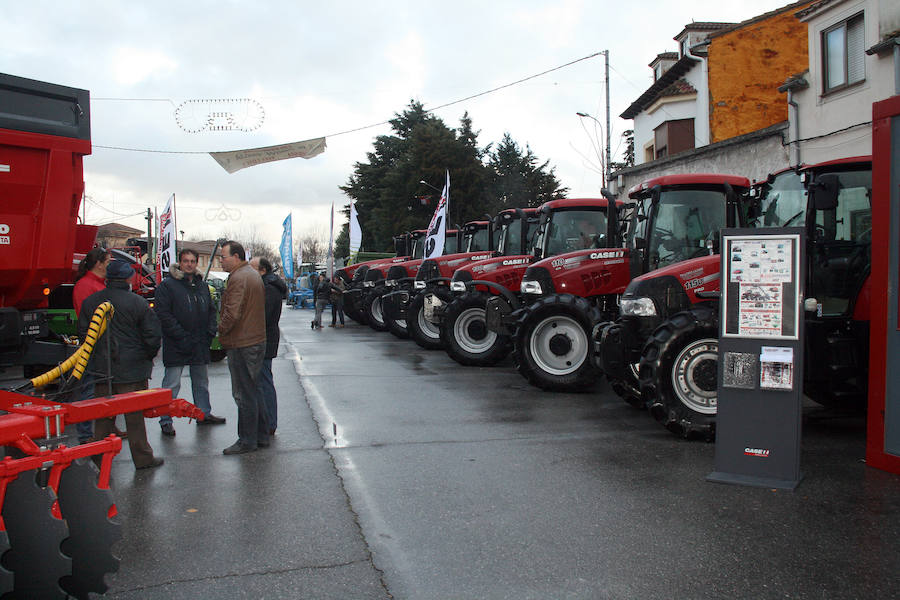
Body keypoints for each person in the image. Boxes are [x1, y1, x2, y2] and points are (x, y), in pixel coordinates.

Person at [77, 259, 164, 470]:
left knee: (104, 416)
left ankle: (98, 460)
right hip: (132, 370)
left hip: (102, 369)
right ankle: (143, 458)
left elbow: (84, 336)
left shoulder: (91, 303)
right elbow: (152, 335)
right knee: (134, 416)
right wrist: (145, 357)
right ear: (128, 278)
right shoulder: (136, 302)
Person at [154, 248, 226, 436]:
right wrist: (180, 335)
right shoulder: (168, 286)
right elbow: (163, 314)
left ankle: (203, 414)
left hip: (200, 342)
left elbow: (211, 311)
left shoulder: (202, 286)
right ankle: (165, 419)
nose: (189, 264)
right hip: (176, 343)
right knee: (171, 384)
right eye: (186, 261)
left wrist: (210, 332)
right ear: (180, 262)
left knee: (201, 382)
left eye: (193, 261)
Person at [217, 240, 269, 455]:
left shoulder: (238, 278)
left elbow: (233, 313)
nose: (221, 261)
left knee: (243, 393)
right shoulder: (252, 274)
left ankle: (247, 440)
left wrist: (220, 330)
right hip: (255, 339)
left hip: (243, 342)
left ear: (236, 257)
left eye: (224, 257)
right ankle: (261, 435)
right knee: (253, 389)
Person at [69, 247, 117, 444]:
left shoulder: (98, 284)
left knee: (105, 387)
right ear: (98, 264)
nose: (110, 266)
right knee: (89, 389)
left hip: (102, 343)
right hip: (92, 344)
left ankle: (107, 428)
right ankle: (85, 434)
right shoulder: (85, 286)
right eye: (108, 262)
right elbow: (86, 317)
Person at [250, 257, 287, 435]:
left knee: (264, 381)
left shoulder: (269, 288)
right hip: (264, 338)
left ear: (262, 270)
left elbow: (264, 316)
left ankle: (270, 423)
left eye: (252, 268)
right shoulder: (266, 285)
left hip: (265, 339)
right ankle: (267, 421)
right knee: (262, 380)